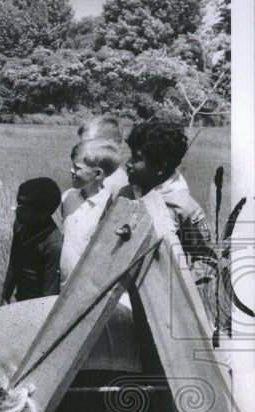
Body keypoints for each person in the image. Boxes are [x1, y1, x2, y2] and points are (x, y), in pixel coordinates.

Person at [120, 119, 217, 298]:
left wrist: (180, 290)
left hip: (161, 304)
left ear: (161, 168)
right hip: (119, 296)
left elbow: (206, 260)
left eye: (137, 158)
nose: (128, 163)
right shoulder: (124, 196)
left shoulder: (183, 207)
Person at [60, 139, 123, 285]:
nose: (71, 171)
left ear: (98, 174)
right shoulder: (67, 197)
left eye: (77, 168)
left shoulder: (109, 207)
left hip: (89, 287)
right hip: (63, 283)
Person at [1, 177, 63, 303]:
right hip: (20, 299)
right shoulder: (20, 225)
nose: (17, 210)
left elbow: (49, 294)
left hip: (37, 305)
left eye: (24, 207)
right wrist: (5, 296)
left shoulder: (53, 245)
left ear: (43, 213)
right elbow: (14, 262)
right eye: (18, 203)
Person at [62, 115, 128, 218]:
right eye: (81, 143)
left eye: (88, 143)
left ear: (110, 145)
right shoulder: (89, 176)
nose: (81, 147)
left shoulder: (117, 186)